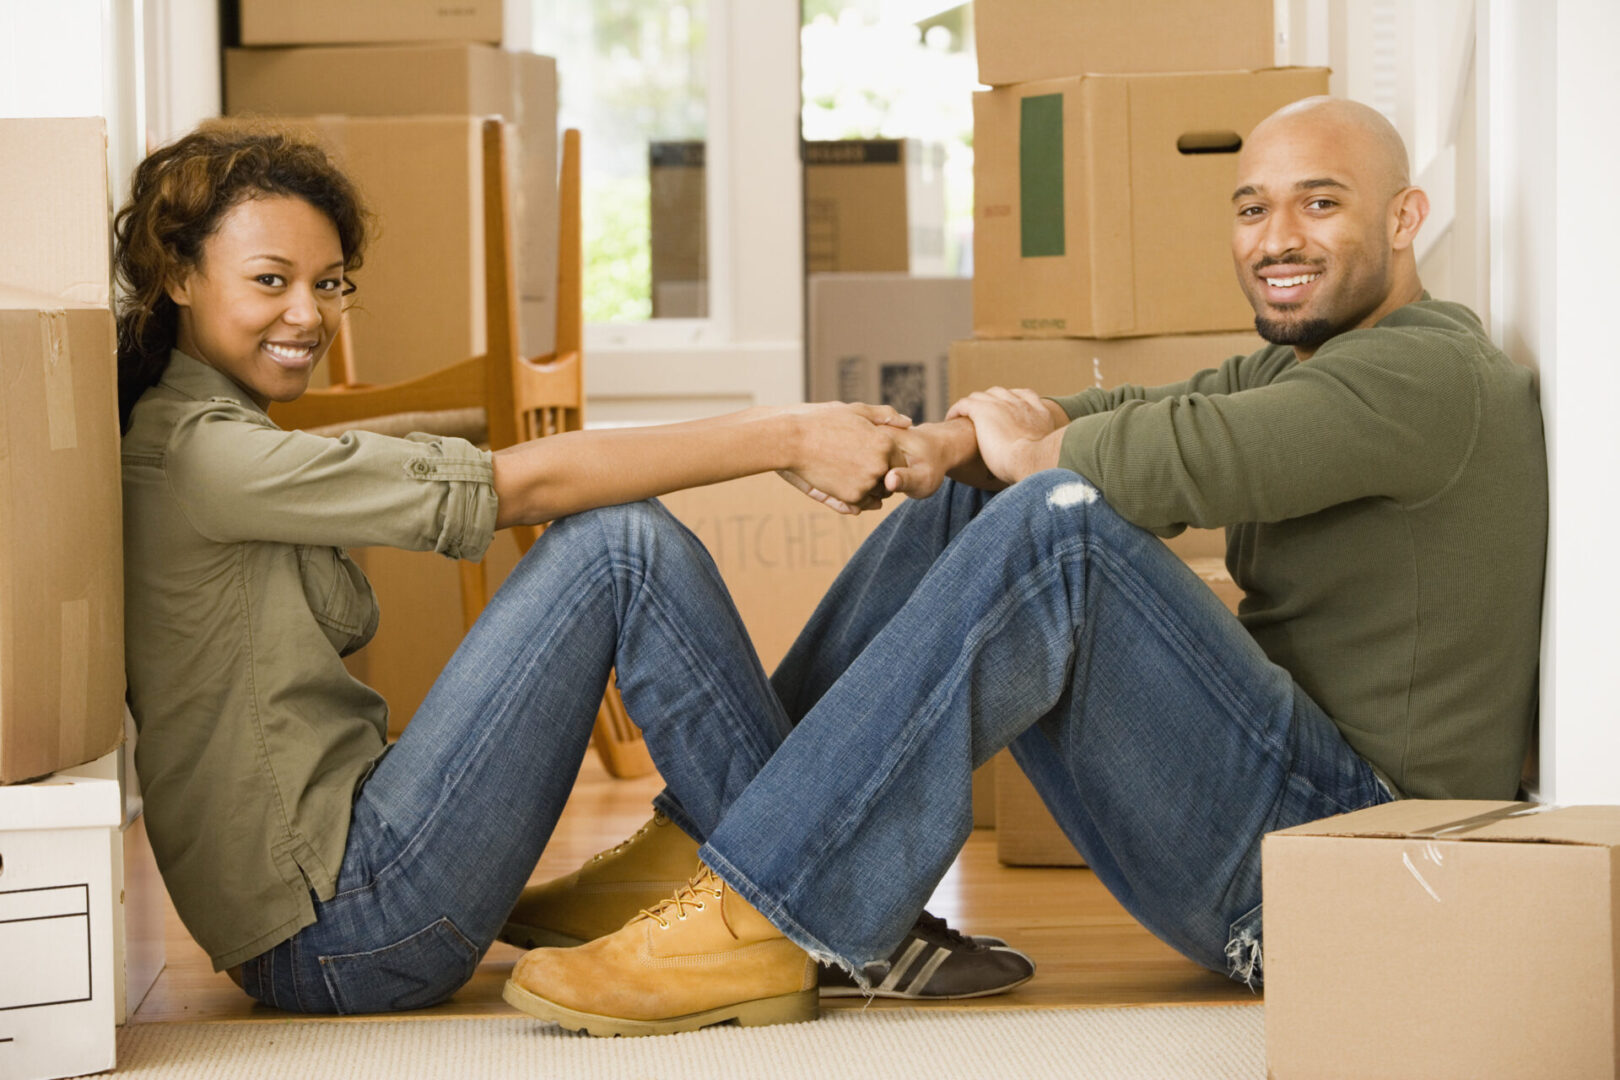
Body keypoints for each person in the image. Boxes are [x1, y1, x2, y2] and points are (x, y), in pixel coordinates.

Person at [503, 96, 1548, 1035]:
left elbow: (1191, 457)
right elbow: (1144, 410)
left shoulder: (1428, 373)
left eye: (1320, 205)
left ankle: (766, 911)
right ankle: (711, 841)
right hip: (1281, 840)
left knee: (1061, 520)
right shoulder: (1308, 361)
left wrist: (1035, 458)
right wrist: (958, 445)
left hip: (1359, 879)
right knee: (995, 493)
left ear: (1405, 218)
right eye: (1251, 209)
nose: (1277, 239)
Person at [116, 122, 1029, 1018]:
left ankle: (763, 867)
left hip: (346, 886)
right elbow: (526, 487)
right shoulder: (204, 459)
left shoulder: (208, 437)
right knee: (617, 546)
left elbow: (380, 464)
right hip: (342, 933)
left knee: (940, 506)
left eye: (329, 284)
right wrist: (783, 432)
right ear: (180, 277)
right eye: (271, 282)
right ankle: (828, 912)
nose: (308, 314)